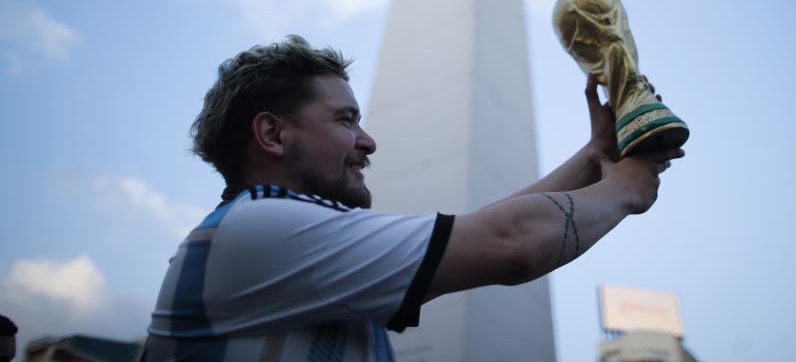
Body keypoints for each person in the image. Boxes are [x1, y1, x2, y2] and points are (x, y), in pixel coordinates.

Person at [142, 35, 683, 361]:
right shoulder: (258, 234)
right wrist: (626, 188)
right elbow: (510, 241)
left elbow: (477, 229)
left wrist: (597, 157)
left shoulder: (267, 240)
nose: (369, 140)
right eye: (346, 119)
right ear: (273, 135)